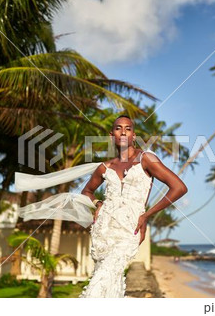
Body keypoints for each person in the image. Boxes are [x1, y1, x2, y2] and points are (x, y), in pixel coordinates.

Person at [78, 115, 188, 298]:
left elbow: (179, 188)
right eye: (118, 128)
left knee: (100, 284)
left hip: (129, 230)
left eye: (128, 128)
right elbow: (86, 191)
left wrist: (146, 215)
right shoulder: (105, 167)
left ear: (134, 136)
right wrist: (98, 203)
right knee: (108, 284)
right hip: (103, 231)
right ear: (112, 135)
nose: (123, 131)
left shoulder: (146, 159)